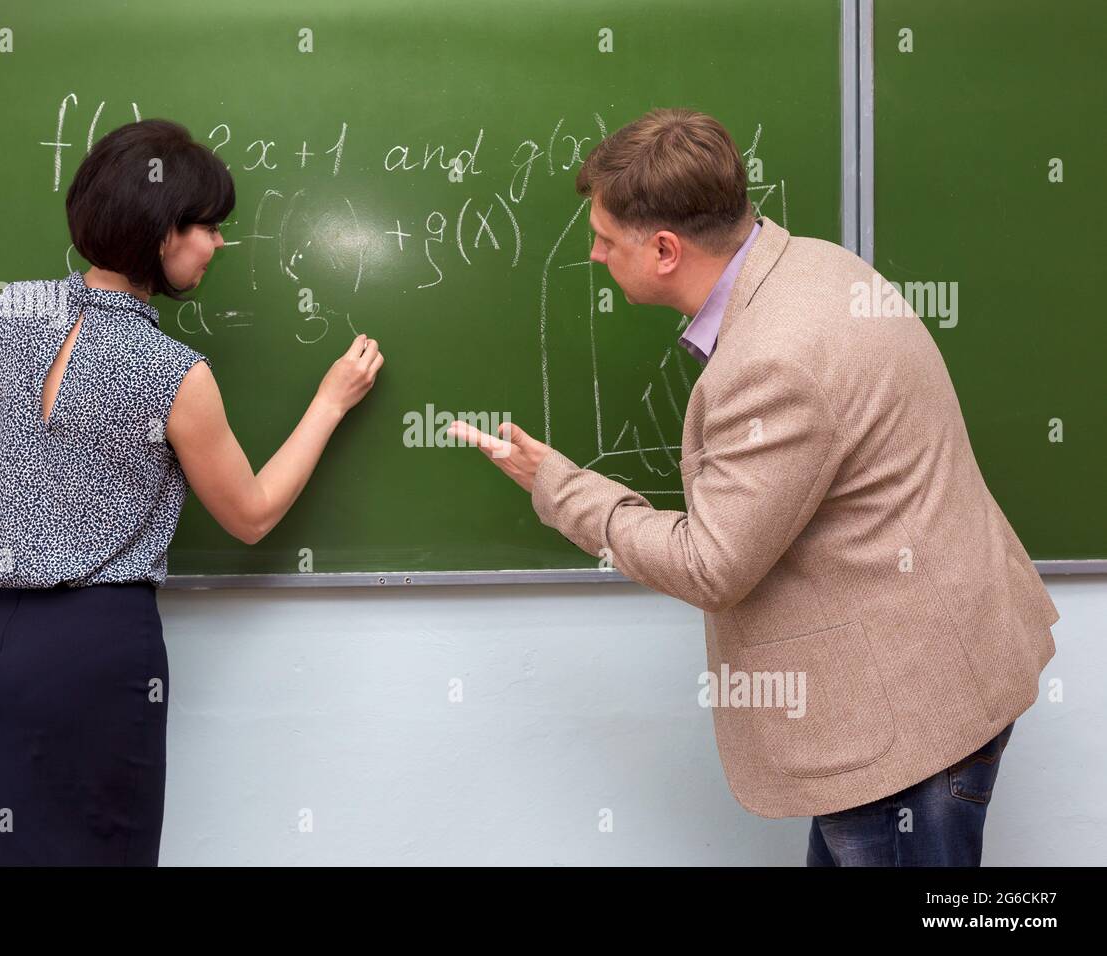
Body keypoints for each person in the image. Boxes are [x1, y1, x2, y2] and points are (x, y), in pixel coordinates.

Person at [449, 107, 1057, 866]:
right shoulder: (812, 263)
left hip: (904, 727)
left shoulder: (773, 360)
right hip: (938, 666)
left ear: (665, 249)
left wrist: (555, 485)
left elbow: (714, 565)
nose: (596, 255)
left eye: (606, 239)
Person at [0, 118, 384, 865]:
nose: (219, 243)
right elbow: (251, 514)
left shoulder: (7, 316)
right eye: (208, 226)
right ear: (164, 233)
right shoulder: (171, 372)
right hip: (97, 657)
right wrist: (330, 402)